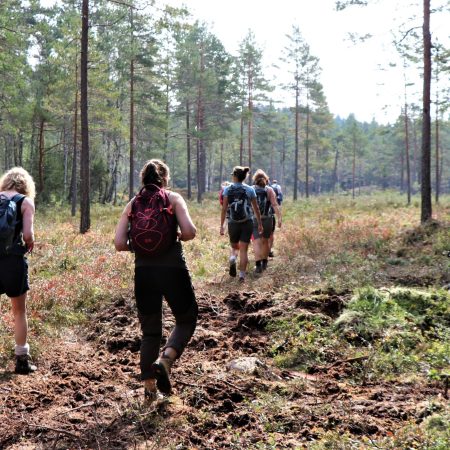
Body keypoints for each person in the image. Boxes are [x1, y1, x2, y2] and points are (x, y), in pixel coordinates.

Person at [114, 159, 198, 402]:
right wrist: (176, 237)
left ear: (143, 179)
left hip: (143, 272)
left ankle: (150, 389)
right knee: (186, 319)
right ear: (165, 178)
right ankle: (166, 359)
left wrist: (141, 249)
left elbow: (119, 243)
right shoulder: (173, 199)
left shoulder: (133, 204)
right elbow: (190, 231)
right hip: (173, 269)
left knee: (150, 332)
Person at [0, 167, 36, 374]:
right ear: (25, 186)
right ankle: (22, 361)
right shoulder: (25, 202)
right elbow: (29, 235)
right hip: (13, 261)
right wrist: (29, 242)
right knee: (19, 311)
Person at [220, 166, 263, 283]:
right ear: (244, 177)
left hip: (233, 223)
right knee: (244, 249)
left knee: (234, 247)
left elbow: (224, 209)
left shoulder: (227, 190)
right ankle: (242, 276)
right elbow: (256, 209)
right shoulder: (250, 189)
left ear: (234, 176)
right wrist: (259, 223)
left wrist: (222, 226)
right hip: (247, 223)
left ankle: (233, 258)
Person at [252, 170, 282, 273]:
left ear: (254, 180)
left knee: (256, 242)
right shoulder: (269, 190)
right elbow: (274, 205)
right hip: (267, 219)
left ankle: (258, 265)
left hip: (255, 219)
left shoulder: (251, 190)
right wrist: (279, 218)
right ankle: (264, 263)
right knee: (265, 241)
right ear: (266, 179)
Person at [269, 179, 283, 257]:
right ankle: (269, 250)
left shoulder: (252, 188)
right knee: (270, 234)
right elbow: (280, 195)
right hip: (270, 215)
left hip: (257, 217)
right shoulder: (275, 187)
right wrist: (279, 218)